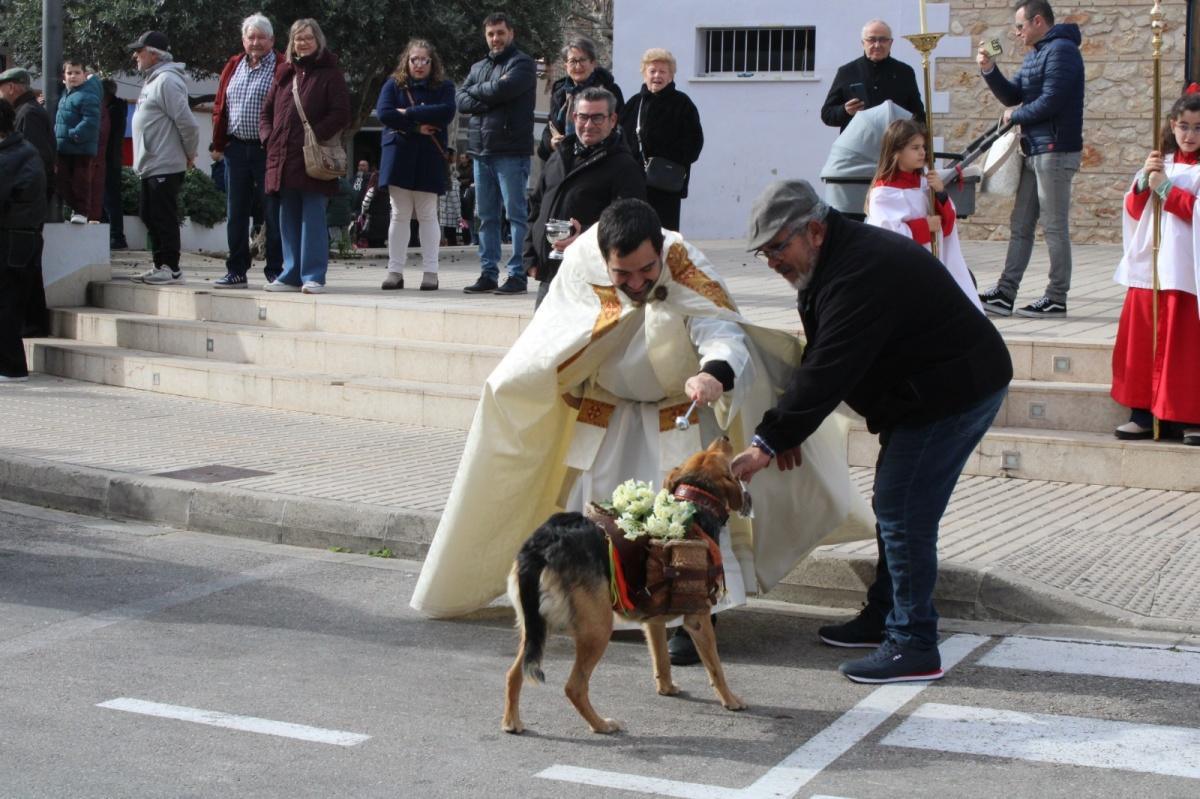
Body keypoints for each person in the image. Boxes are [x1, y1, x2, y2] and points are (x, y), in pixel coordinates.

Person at [411, 197, 871, 644]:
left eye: (647, 271)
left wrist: (714, 374)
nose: (636, 283)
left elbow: (722, 330)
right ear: (603, 261)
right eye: (623, 274)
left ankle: (694, 619)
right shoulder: (581, 266)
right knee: (599, 527)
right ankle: (599, 607)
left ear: (660, 252)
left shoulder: (684, 262)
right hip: (607, 419)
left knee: (687, 525)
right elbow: (553, 335)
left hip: (678, 419)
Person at [733, 180, 1012, 684]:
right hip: (921, 393)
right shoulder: (835, 257)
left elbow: (831, 367)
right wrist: (785, 429)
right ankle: (887, 614)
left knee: (902, 507)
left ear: (814, 231)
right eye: (764, 252)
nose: (772, 261)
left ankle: (914, 643)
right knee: (896, 502)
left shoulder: (860, 269)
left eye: (778, 247)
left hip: (953, 392)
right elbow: (824, 356)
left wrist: (767, 442)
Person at [976, 0, 1084, 318]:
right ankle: (1004, 294)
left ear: (1038, 22)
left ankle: (1056, 297)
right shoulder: (1036, 54)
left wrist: (1015, 115)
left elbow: (1052, 101)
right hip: (1034, 149)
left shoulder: (1062, 51)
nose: (1016, 32)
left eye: (1020, 26)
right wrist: (988, 69)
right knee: (1020, 225)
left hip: (1055, 151)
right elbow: (1013, 95)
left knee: (1053, 226)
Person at [1111, 88, 1200, 446]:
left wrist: (1167, 190)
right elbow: (1133, 212)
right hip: (1151, 268)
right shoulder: (1157, 162)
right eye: (1184, 126)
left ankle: (1189, 415)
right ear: (1172, 126)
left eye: (1197, 127)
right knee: (1143, 343)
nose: (1190, 135)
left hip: (1186, 270)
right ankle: (1143, 412)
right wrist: (1144, 184)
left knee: (1185, 349)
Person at [524, 86, 646, 307]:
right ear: (574, 117)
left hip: (593, 279)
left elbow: (627, 224)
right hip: (550, 276)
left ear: (613, 119)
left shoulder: (624, 166)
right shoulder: (558, 157)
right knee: (542, 341)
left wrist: (583, 239)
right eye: (583, 117)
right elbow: (535, 206)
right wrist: (529, 256)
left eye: (598, 118)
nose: (589, 125)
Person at [260, 18, 351, 294]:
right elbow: (266, 111)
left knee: (312, 216)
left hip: (313, 159)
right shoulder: (284, 73)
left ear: (318, 40)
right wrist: (268, 137)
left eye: (308, 38)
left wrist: (316, 135)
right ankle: (290, 275)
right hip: (284, 157)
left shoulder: (330, 74)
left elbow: (341, 113)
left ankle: (313, 275)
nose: (303, 43)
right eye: (298, 39)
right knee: (287, 217)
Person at [456, 12, 537, 296]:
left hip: (511, 152)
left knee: (516, 216)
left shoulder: (523, 64)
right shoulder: (478, 66)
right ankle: (488, 274)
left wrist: (482, 94)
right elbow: (461, 100)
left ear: (511, 33)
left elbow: (505, 89)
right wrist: (488, 95)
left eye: (500, 32)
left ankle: (517, 275)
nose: (495, 38)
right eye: (491, 34)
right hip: (481, 151)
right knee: (487, 217)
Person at [865, 119, 982, 311]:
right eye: (915, 148)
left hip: (932, 260)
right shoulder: (883, 192)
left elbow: (946, 224)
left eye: (924, 147)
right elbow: (886, 237)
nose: (922, 153)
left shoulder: (925, 182)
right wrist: (924, 227)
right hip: (906, 269)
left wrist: (941, 193)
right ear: (896, 151)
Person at [211, 12, 286, 289]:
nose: (255, 42)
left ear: (272, 40)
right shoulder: (234, 65)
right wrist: (220, 142)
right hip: (235, 148)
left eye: (261, 37)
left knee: (272, 210)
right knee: (236, 213)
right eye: (250, 37)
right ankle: (236, 270)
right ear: (244, 40)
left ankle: (276, 270)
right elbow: (221, 104)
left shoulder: (281, 66)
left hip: (267, 150)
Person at [376, 38, 456, 292]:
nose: (419, 65)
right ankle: (394, 272)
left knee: (427, 214)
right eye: (414, 60)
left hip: (428, 156)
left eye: (425, 60)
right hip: (398, 155)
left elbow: (446, 111)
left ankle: (431, 272)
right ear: (406, 61)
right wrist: (417, 126)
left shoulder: (444, 86)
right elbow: (384, 113)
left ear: (433, 62)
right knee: (399, 215)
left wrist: (407, 113)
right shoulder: (393, 83)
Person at [128, 31, 200, 285]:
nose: (135, 55)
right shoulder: (153, 81)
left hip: (164, 163)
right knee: (148, 214)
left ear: (154, 55)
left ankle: (171, 267)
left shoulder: (167, 81)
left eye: (140, 51)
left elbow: (188, 124)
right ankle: (161, 264)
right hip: (151, 164)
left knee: (162, 215)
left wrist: (190, 153)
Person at [618, 48, 703, 233]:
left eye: (663, 71)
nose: (657, 76)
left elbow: (694, 145)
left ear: (671, 76)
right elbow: (620, 140)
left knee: (664, 239)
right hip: (634, 186)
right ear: (644, 74)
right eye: (652, 71)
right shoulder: (634, 104)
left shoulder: (683, 104)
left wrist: (663, 160)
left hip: (665, 186)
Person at [0, 67, 55, 337]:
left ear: (12, 87)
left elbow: (34, 165)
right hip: (26, 214)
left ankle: (33, 323)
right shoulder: (26, 112)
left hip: (24, 214)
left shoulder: (28, 114)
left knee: (24, 276)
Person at [0, 98, 48, 382]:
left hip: (14, 242)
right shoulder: (16, 151)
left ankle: (11, 367)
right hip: (16, 239)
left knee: (7, 303)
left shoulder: (13, 156)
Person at [820, 19, 925, 132]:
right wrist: (845, 110)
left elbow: (918, 116)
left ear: (891, 43)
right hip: (858, 144)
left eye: (883, 40)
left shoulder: (905, 72)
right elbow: (827, 115)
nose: (877, 45)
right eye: (871, 40)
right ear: (863, 43)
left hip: (894, 145)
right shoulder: (846, 72)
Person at [538, 36, 624, 162]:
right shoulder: (559, 92)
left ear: (593, 63)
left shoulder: (609, 90)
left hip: (599, 160)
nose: (578, 66)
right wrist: (550, 143)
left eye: (582, 60)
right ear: (566, 65)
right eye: (572, 61)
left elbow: (620, 127)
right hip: (563, 160)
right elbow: (551, 125)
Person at [55, 58, 103, 223]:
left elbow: (91, 120)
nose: (73, 76)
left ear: (85, 75)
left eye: (77, 73)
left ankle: (81, 212)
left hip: (80, 147)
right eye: (69, 73)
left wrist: (74, 134)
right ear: (64, 75)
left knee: (80, 181)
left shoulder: (88, 95)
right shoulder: (66, 93)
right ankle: (75, 210)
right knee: (62, 180)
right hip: (64, 146)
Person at [100, 78, 128, 249]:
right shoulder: (117, 108)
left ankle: (116, 236)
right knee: (109, 199)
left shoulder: (113, 111)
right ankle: (113, 234)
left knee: (111, 199)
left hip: (109, 159)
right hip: (111, 159)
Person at [439, 148, 463, 246]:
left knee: (448, 236)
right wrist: (459, 216)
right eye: (454, 155)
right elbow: (454, 197)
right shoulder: (449, 175)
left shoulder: (443, 170)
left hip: (442, 210)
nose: (455, 158)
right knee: (451, 238)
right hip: (450, 212)